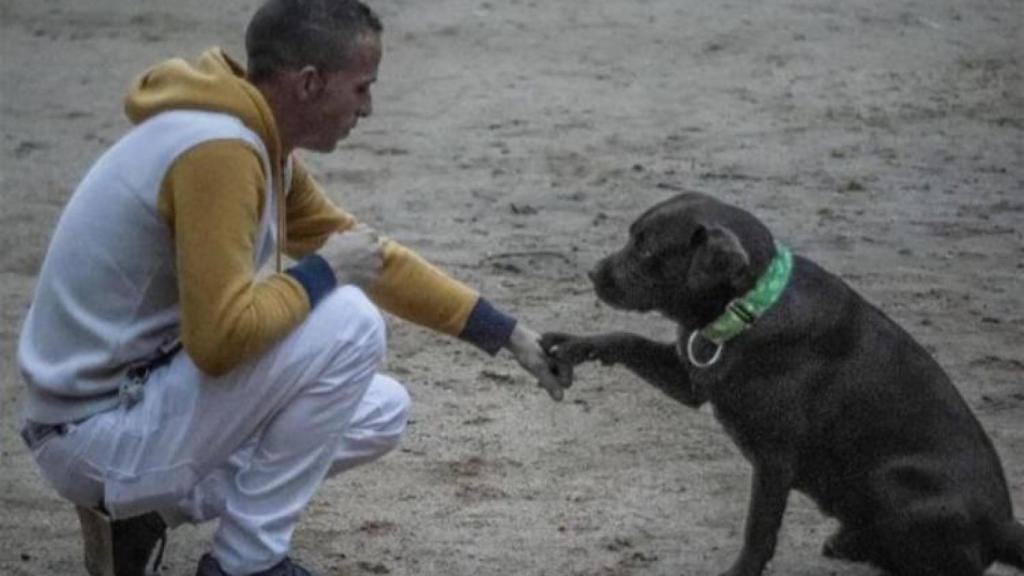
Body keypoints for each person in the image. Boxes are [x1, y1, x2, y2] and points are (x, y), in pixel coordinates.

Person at [16, 1, 570, 575]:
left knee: (380, 410)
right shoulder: (218, 151)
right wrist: (323, 273)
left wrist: (506, 333)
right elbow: (220, 339)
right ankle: (245, 564)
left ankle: (142, 517)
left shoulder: (252, 140)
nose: (369, 109)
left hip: (120, 408)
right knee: (349, 319)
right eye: (361, 88)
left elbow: (373, 256)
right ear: (310, 83)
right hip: (92, 433)